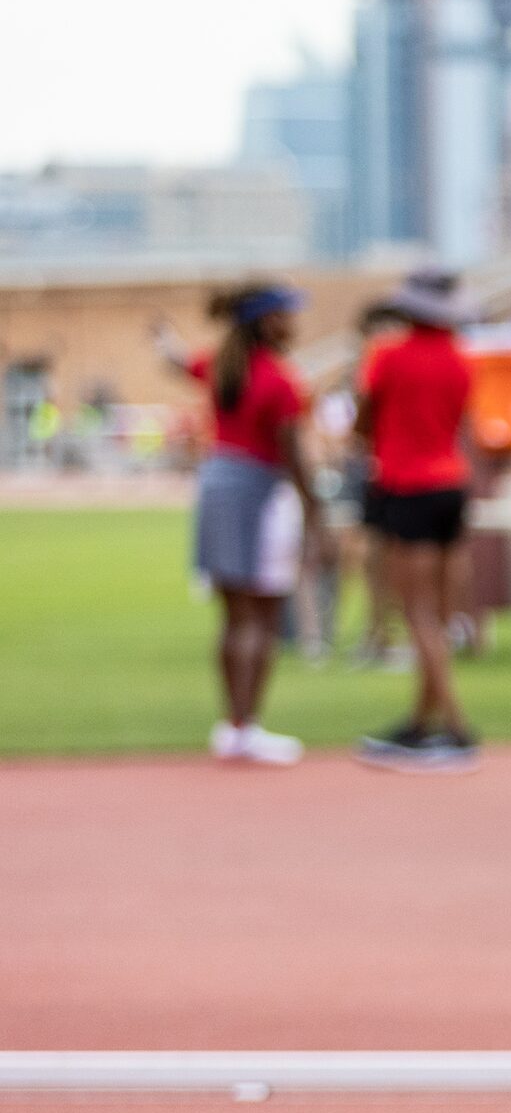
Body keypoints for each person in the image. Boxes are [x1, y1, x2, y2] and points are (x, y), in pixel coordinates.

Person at [160, 283, 331, 765]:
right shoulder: (278, 379)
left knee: (234, 615)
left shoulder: (221, 365)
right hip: (259, 492)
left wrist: (162, 339)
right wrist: (316, 512)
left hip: (217, 484)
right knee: (262, 614)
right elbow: (293, 453)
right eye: (284, 316)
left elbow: (178, 362)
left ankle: (232, 725)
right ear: (265, 322)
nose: (292, 325)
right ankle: (245, 726)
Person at [353, 271, 482, 772]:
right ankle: (420, 721)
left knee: (418, 613)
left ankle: (454, 725)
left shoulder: (387, 355)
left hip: (408, 486)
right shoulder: (461, 360)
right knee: (441, 614)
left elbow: (365, 418)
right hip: (451, 484)